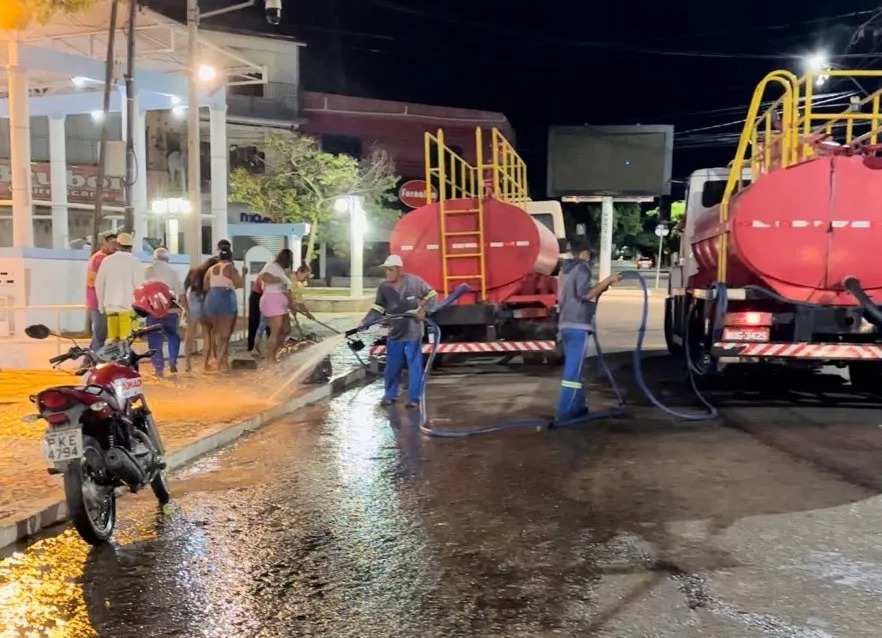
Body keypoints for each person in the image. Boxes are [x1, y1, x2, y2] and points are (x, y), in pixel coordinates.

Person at [555, 238, 622, 422]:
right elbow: (585, 294)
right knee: (572, 371)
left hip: (565, 324)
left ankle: (578, 406)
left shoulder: (565, 270)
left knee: (576, 369)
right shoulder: (582, 268)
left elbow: (581, 293)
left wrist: (601, 288)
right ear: (585, 252)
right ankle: (564, 411)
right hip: (578, 325)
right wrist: (608, 280)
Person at [358, 254, 437, 408]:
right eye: (386, 270)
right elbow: (377, 308)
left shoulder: (414, 282)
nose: (387, 273)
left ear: (400, 270)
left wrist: (424, 311)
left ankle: (414, 398)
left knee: (414, 366)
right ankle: (390, 395)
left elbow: (432, 295)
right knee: (392, 366)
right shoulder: (384, 288)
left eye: (390, 270)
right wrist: (365, 321)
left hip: (413, 330)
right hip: (395, 332)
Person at [95, 232, 144, 344]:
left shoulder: (107, 260)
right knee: (125, 340)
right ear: (131, 247)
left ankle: (113, 354)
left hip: (110, 307)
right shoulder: (135, 262)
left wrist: (101, 305)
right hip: (127, 307)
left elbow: (99, 283)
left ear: (117, 245)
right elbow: (140, 286)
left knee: (112, 340)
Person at [202, 246, 243, 372]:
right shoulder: (230, 267)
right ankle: (220, 365)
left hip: (210, 300)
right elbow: (239, 284)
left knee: (218, 333)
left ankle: (222, 362)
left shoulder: (210, 269)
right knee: (225, 335)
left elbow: (205, 287)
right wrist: (244, 274)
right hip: (225, 299)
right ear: (230, 257)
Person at [144, 248, 184, 377]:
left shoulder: (147, 271)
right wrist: (186, 310)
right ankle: (172, 361)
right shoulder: (174, 272)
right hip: (170, 310)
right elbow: (181, 293)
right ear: (168, 259)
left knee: (154, 339)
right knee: (173, 336)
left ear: (154, 258)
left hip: (153, 310)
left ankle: (159, 369)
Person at [181, 256, 219, 372]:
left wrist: (185, 308)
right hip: (207, 301)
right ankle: (205, 365)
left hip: (194, 300)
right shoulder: (213, 272)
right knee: (207, 334)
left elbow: (184, 289)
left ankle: (188, 364)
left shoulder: (193, 271)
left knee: (190, 334)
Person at [258, 248, 294, 359]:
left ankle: (275, 350)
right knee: (275, 331)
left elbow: (286, 289)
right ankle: (270, 357)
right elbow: (264, 276)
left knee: (286, 329)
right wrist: (280, 280)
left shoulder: (280, 270)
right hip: (273, 300)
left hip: (281, 302)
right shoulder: (271, 266)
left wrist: (291, 303)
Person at [85, 232, 117, 350]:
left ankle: (90, 357)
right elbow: (92, 281)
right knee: (101, 332)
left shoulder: (99, 257)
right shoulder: (100, 259)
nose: (115, 246)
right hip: (98, 300)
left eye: (117, 244)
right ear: (105, 243)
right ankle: (95, 356)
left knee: (100, 332)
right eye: (112, 243)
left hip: (97, 300)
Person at [288, 263, 315, 339]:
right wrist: (307, 313)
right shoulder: (292, 281)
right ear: (300, 272)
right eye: (305, 277)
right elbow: (297, 302)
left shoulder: (297, 282)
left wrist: (307, 313)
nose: (305, 280)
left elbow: (299, 301)